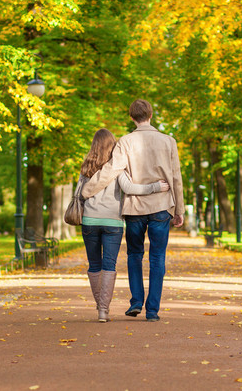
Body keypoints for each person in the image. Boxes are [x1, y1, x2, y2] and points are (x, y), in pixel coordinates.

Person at [83, 99, 184, 322]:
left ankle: (136, 300)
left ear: (131, 117)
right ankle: (153, 311)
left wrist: (87, 189)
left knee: (134, 255)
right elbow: (176, 177)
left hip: (135, 207)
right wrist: (180, 209)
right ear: (151, 115)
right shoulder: (169, 141)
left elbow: (112, 169)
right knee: (158, 258)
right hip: (161, 206)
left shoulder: (125, 142)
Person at [75, 128, 169, 322]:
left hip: (89, 221)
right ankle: (103, 309)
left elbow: (79, 193)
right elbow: (129, 188)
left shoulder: (86, 167)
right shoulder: (117, 167)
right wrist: (155, 187)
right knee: (109, 265)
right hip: (113, 222)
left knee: (94, 265)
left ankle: (101, 308)